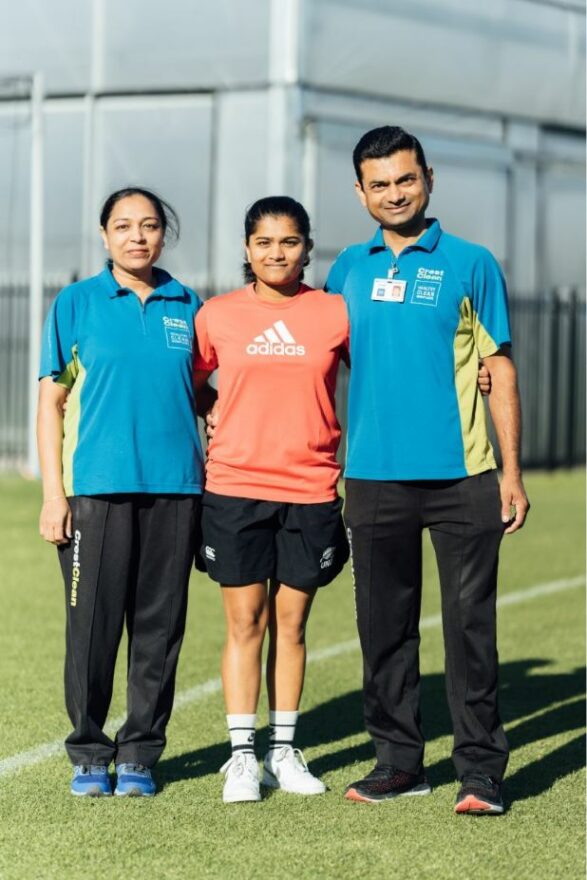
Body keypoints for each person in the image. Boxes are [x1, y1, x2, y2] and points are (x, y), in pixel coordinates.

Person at [325, 126, 529, 815]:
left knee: (470, 628)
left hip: (462, 476)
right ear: (359, 192)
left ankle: (480, 771)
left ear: (428, 179)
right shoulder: (344, 269)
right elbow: (333, 363)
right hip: (373, 476)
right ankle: (397, 763)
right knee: (384, 629)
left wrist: (510, 471)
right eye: (378, 184)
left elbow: (497, 366)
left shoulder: (472, 263)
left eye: (404, 180)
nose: (393, 193)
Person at [37, 187, 213, 797]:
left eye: (149, 225)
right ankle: (89, 751)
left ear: (164, 234)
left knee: (159, 629)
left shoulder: (189, 305)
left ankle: (140, 751)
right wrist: (54, 496)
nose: (137, 236)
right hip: (95, 492)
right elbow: (51, 401)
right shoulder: (77, 304)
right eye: (123, 226)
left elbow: (208, 388)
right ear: (104, 234)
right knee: (92, 628)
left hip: (178, 489)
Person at [193, 196, 351, 803]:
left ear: (308, 248)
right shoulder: (217, 315)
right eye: (264, 242)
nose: (276, 253)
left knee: (292, 624)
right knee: (244, 622)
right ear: (246, 248)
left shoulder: (335, 313)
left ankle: (283, 750)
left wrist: (480, 371)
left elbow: (382, 368)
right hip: (234, 488)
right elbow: (193, 380)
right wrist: (216, 412)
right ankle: (242, 759)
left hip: (310, 488)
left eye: (288, 242)